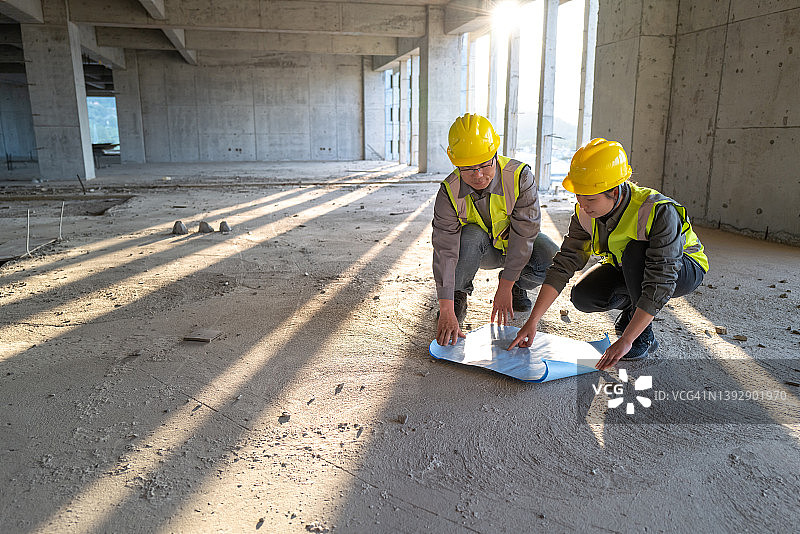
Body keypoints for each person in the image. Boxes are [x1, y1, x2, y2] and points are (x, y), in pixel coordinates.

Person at [509, 138, 709, 369]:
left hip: (683, 269)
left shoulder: (658, 210)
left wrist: (627, 339)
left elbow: (661, 279)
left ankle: (644, 336)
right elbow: (564, 263)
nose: (583, 205)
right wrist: (533, 320)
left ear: (614, 192)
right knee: (584, 295)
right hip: (629, 267)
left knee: (635, 251)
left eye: (590, 198)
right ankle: (633, 309)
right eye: (578, 196)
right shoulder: (584, 213)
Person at [433, 113, 559, 346]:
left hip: (516, 246)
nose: (478, 175)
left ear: (495, 154)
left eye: (484, 164)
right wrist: (446, 306)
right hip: (481, 252)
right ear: (455, 162)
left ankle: (518, 284)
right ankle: (458, 295)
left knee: (551, 257)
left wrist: (506, 285)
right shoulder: (449, 191)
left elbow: (525, 233)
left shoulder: (519, 177)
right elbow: (445, 250)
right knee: (471, 235)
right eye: (468, 168)